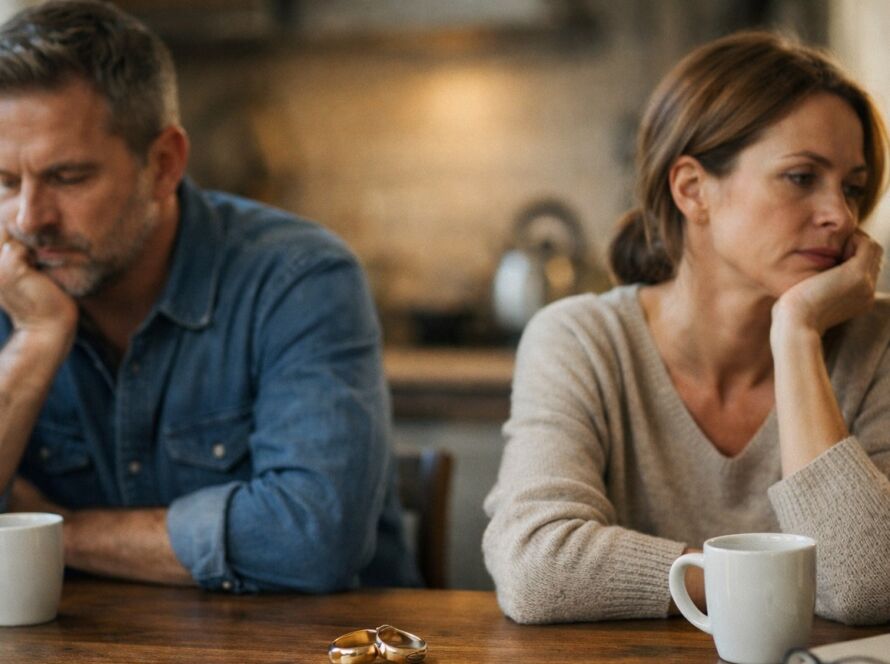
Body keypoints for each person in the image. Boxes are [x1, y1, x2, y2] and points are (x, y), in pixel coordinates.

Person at [0, 0, 418, 592]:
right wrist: (36, 340)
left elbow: (314, 538)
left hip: (329, 639)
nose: (29, 218)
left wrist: (55, 533)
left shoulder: (298, 277)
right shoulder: (13, 277)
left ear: (164, 164)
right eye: (5, 181)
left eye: (68, 178)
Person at [483, 31, 890, 625]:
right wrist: (772, 580)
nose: (840, 215)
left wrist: (797, 333)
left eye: (852, 188)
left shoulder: (876, 343)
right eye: (802, 177)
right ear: (693, 190)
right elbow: (535, 567)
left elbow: (868, 585)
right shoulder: (579, 340)